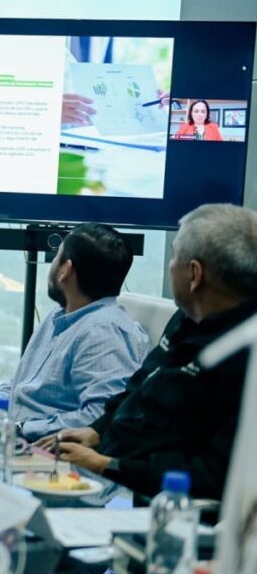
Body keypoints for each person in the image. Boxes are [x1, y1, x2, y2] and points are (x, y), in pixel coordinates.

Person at [37, 204, 257, 499]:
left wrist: (106, 465)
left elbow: (214, 475)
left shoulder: (243, 354)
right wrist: (97, 430)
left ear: (194, 274)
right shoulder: (187, 318)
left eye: (173, 258)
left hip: (152, 499)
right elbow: (139, 386)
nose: (170, 267)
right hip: (110, 468)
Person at [0, 224, 149, 441]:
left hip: (42, 450)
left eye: (56, 257)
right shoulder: (60, 315)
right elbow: (21, 383)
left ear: (65, 270)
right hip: (11, 437)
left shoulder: (104, 334)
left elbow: (99, 417)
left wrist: (21, 428)